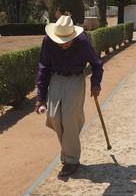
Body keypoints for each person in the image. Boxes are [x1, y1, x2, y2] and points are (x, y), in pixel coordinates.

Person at [35, 15, 103, 178]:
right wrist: (41, 98)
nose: (63, 44)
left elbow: (96, 64)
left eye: (67, 40)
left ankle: (71, 160)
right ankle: (68, 151)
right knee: (54, 117)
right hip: (56, 78)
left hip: (75, 78)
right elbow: (43, 68)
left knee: (69, 118)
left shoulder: (83, 42)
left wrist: (95, 83)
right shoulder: (48, 41)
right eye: (60, 40)